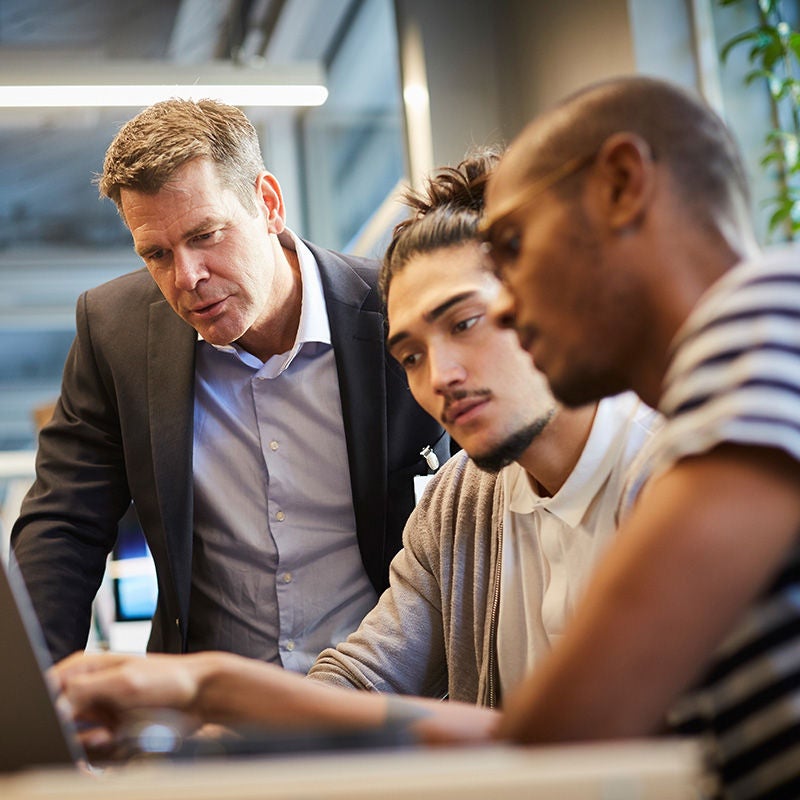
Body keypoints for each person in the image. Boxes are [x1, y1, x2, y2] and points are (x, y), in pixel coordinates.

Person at [53, 149, 661, 753]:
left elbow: (594, 740)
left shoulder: (673, 473)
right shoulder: (460, 501)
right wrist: (198, 739)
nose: (440, 376)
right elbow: (360, 679)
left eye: (465, 323)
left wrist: (210, 686)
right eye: (412, 356)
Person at [11, 98, 448, 672]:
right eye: (157, 254)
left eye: (206, 234)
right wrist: (33, 702)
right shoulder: (114, 333)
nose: (187, 277)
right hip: (211, 722)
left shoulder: (397, 309)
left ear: (268, 203)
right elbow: (64, 525)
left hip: (389, 702)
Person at [480, 76, 800, 800]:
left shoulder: (765, 321)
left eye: (511, 243)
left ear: (622, 183)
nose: (501, 306)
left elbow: (568, 732)